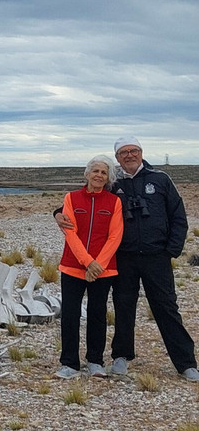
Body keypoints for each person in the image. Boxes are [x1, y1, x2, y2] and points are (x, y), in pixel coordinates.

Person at [55, 136, 198, 380]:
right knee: (123, 307)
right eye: (124, 152)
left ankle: (186, 363)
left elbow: (178, 215)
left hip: (156, 256)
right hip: (124, 257)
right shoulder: (114, 182)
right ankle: (121, 356)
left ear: (141, 152)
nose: (129, 155)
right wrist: (57, 213)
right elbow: (89, 196)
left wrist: (171, 250)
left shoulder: (160, 179)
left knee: (166, 307)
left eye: (133, 151)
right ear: (118, 158)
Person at [54, 155, 123, 379]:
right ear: (87, 174)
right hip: (73, 266)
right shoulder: (71, 198)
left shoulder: (114, 202)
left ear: (108, 178)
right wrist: (88, 262)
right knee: (70, 314)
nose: (99, 175)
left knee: (97, 314)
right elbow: (70, 232)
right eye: (95, 171)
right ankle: (69, 363)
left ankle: (95, 360)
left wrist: (98, 265)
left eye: (104, 172)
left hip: (103, 270)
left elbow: (115, 236)